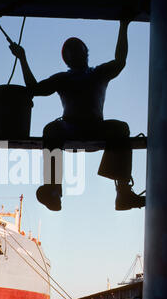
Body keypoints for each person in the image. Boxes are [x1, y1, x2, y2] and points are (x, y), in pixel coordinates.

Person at [9, 20, 145, 211]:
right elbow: (34, 89)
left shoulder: (77, 76)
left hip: (74, 129)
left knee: (116, 128)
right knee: (117, 128)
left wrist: (124, 26)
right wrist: (22, 58)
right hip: (88, 129)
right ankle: (57, 190)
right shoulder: (93, 74)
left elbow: (33, 89)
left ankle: (58, 190)